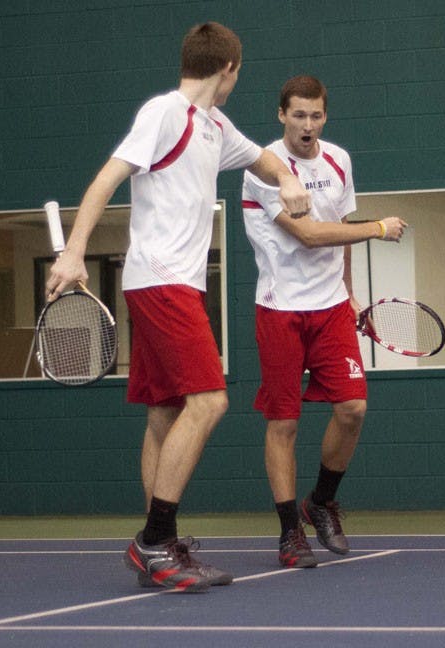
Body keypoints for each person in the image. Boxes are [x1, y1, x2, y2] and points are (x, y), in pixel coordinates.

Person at [46, 23, 311, 593]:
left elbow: (262, 159)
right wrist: (73, 252)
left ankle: (159, 541)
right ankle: (153, 541)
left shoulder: (215, 126)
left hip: (176, 286)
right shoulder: (164, 112)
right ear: (230, 68)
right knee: (210, 400)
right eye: (238, 71)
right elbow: (105, 180)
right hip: (161, 281)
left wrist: (287, 178)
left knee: (165, 411)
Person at [242, 75, 407, 568]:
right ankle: (290, 530)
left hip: (332, 306)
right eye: (298, 115)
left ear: (325, 117)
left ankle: (322, 501)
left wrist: (351, 294)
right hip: (280, 308)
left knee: (352, 409)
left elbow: (341, 236)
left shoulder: (339, 161)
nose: (307, 125)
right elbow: (311, 235)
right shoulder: (263, 169)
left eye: (315, 116)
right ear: (281, 114)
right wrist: (377, 228)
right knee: (284, 423)